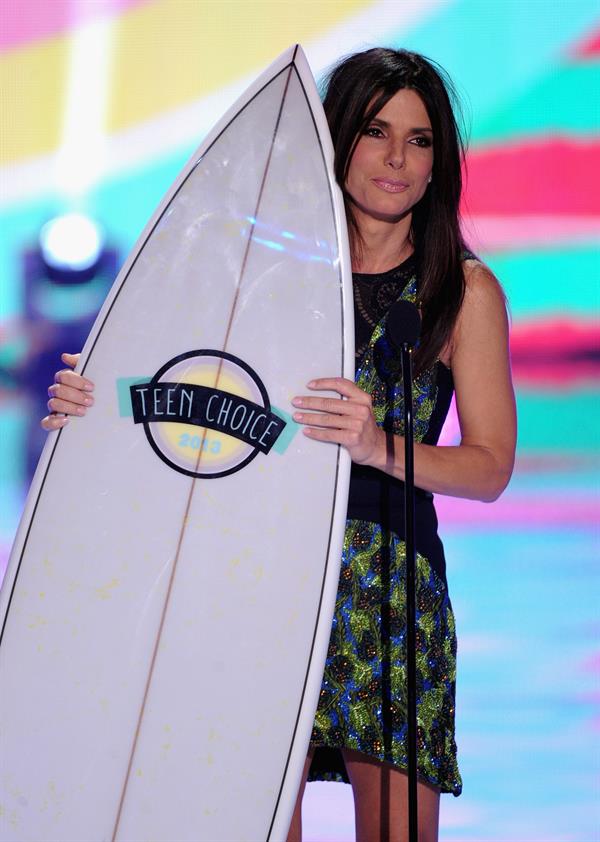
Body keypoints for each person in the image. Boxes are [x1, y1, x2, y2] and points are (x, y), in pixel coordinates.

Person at [42, 48, 516, 842]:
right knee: (255, 826)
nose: (398, 158)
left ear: (440, 165)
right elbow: (182, 399)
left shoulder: (461, 291)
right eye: (376, 132)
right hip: (257, 579)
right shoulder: (259, 274)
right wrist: (94, 404)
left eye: (420, 139)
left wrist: (379, 446)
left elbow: (491, 467)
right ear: (337, 143)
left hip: (389, 596)